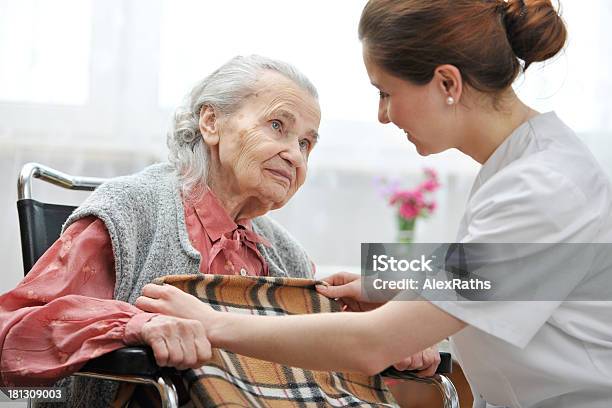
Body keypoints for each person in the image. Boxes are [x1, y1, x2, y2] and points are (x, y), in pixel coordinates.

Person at [136, 1, 612, 407]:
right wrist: (382, 279)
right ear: (209, 122)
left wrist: (213, 323)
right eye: (277, 127)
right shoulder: (525, 166)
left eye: (386, 93)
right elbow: (493, 269)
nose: (383, 116)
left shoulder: (542, 186)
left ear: (447, 83)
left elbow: (373, 342)